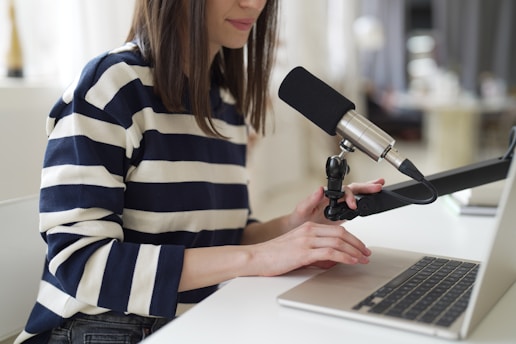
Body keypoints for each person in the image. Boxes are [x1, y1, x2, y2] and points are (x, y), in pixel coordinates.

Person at [15, 1, 384, 343]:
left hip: (196, 319)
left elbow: (216, 241)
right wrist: (262, 257)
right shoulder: (112, 86)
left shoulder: (225, 106)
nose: (255, 3)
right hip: (100, 327)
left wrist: (294, 227)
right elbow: (80, 263)